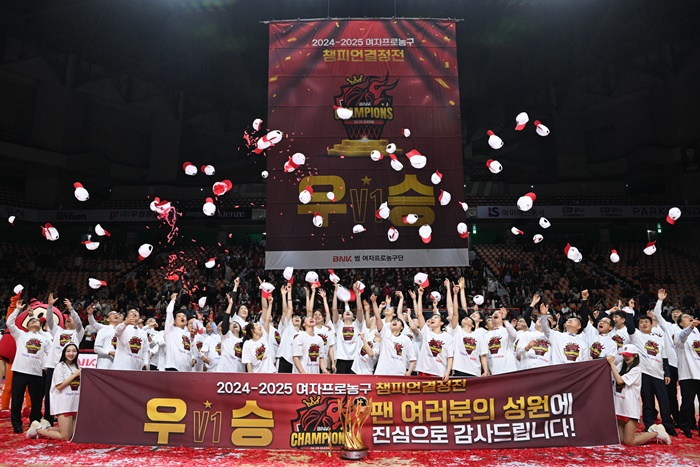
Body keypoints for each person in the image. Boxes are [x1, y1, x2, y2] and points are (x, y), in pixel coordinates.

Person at [607, 346, 671, 445]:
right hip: (619, 408)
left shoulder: (636, 370)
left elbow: (619, 381)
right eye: (624, 355)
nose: (626, 357)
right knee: (622, 439)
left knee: (629, 442)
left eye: (628, 355)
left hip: (630, 409)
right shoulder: (621, 366)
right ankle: (652, 431)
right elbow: (610, 375)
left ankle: (656, 433)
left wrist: (612, 364)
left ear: (635, 355)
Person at [7, 299, 51, 434]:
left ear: (40, 325)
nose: (35, 322)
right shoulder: (20, 334)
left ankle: (34, 422)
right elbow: (9, 323)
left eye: (37, 321)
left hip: (37, 373)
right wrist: (17, 309)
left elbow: (49, 353)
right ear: (27, 325)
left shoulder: (45, 337)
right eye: (32, 321)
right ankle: (17, 424)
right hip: (20, 372)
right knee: (17, 400)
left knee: (36, 401)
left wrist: (45, 367)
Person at [43, 296, 84, 426]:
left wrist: (71, 309)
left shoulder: (78, 333)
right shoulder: (58, 331)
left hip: (69, 367)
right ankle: (48, 419)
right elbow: (50, 320)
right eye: (67, 317)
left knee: (67, 392)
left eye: (71, 317)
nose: (69, 318)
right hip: (53, 366)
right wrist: (50, 307)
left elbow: (79, 322)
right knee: (50, 393)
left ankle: (65, 416)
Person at [28, 343, 81, 441]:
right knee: (65, 437)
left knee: (72, 434)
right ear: (64, 353)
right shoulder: (60, 366)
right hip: (63, 404)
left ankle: (45, 427)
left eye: (74, 351)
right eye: (68, 351)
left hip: (74, 404)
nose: (71, 353)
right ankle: (37, 430)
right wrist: (75, 375)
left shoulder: (77, 367)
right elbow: (59, 386)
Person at [414, 287, 453, 382]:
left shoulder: (448, 337)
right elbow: (419, 314)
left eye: (436, 317)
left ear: (441, 323)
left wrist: (447, 372)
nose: (432, 319)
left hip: (440, 372)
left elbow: (450, 357)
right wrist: (420, 296)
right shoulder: (426, 332)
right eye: (432, 317)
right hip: (423, 371)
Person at [674, 309, 700, 438]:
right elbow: (684, 336)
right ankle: (685, 426)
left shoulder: (697, 333)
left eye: (689, 316)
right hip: (687, 374)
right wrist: (691, 327)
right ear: (680, 323)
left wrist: (693, 328)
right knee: (687, 403)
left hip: (699, 372)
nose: (689, 317)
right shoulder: (678, 333)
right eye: (685, 317)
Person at [241, 294, 276, 373]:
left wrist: (270, 304)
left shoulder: (264, 338)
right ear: (252, 331)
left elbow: (267, 320)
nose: (260, 326)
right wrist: (251, 377)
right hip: (257, 374)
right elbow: (248, 363)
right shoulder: (247, 344)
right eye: (257, 325)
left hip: (271, 373)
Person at [163, 292, 194, 372]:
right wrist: (173, 300)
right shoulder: (170, 330)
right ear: (174, 321)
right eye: (179, 316)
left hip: (187, 370)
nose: (182, 317)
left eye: (184, 316)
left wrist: (193, 358)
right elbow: (169, 312)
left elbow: (190, 350)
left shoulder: (188, 334)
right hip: (173, 368)